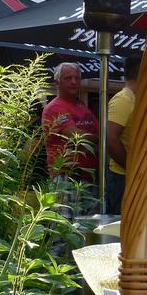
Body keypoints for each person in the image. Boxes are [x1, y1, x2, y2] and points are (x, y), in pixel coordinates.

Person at [42, 62, 99, 217]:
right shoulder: (54, 108)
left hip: (88, 179)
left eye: (77, 78)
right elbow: (77, 137)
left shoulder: (81, 106)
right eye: (68, 78)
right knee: (64, 232)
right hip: (66, 178)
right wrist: (99, 138)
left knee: (85, 229)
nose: (74, 82)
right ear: (57, 83)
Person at [106, 53, 142, 214]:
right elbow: (111, 139)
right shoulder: (123, 100)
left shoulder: (135, 99)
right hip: (122, 178)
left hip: (134, 176)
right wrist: (131, 168)